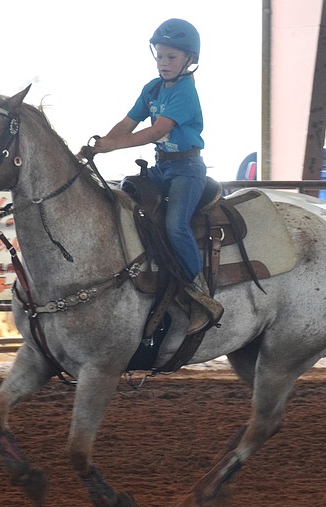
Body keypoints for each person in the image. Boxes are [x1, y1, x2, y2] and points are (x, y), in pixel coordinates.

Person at [83, 18, 223, 334]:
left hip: (187, 170)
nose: (164, 63)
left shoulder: (185, 93)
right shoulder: (153, 88)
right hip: (162, 167)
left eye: (171, 57)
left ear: (189, 59)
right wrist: (102, 143)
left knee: (176, 226)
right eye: (160, 56)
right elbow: (128, 123)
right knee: (123, 198)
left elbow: (156, 131)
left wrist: (111, 146)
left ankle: (199, 293)